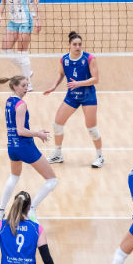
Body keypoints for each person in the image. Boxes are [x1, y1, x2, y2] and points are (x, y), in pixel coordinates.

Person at [0, 74, 58, 222]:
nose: (26, 88)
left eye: (27, 85)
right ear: (15, 87)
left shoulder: (9, 101)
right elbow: (21, 130)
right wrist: (38, 133)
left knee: (14, 177)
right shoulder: (21, 105)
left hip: (12, 147)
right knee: (52, 181)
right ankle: (32, 209)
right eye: (23, 85)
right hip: (25, 147)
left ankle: (0, 211)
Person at [44, 31, 104, 168]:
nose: (78, 47)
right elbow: (61, 74)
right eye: (75, 44)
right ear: (69, 45)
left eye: (80, 44)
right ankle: (58, 154)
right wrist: (53, 86)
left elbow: (96, 79)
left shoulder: (89, 58)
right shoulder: (64, 59)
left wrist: (79, 83)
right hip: (72, 96)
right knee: (57, 124)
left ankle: (100, 157)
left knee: (92, 129)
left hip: (88, 96)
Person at [0, 0, 40, 92]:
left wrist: (38, 19)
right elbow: (3, 1)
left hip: (24, 20)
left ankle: (28, 84)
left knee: (22, 54)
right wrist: (0, 15)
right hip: (13, 21)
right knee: (5, 50)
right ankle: (26, 70)